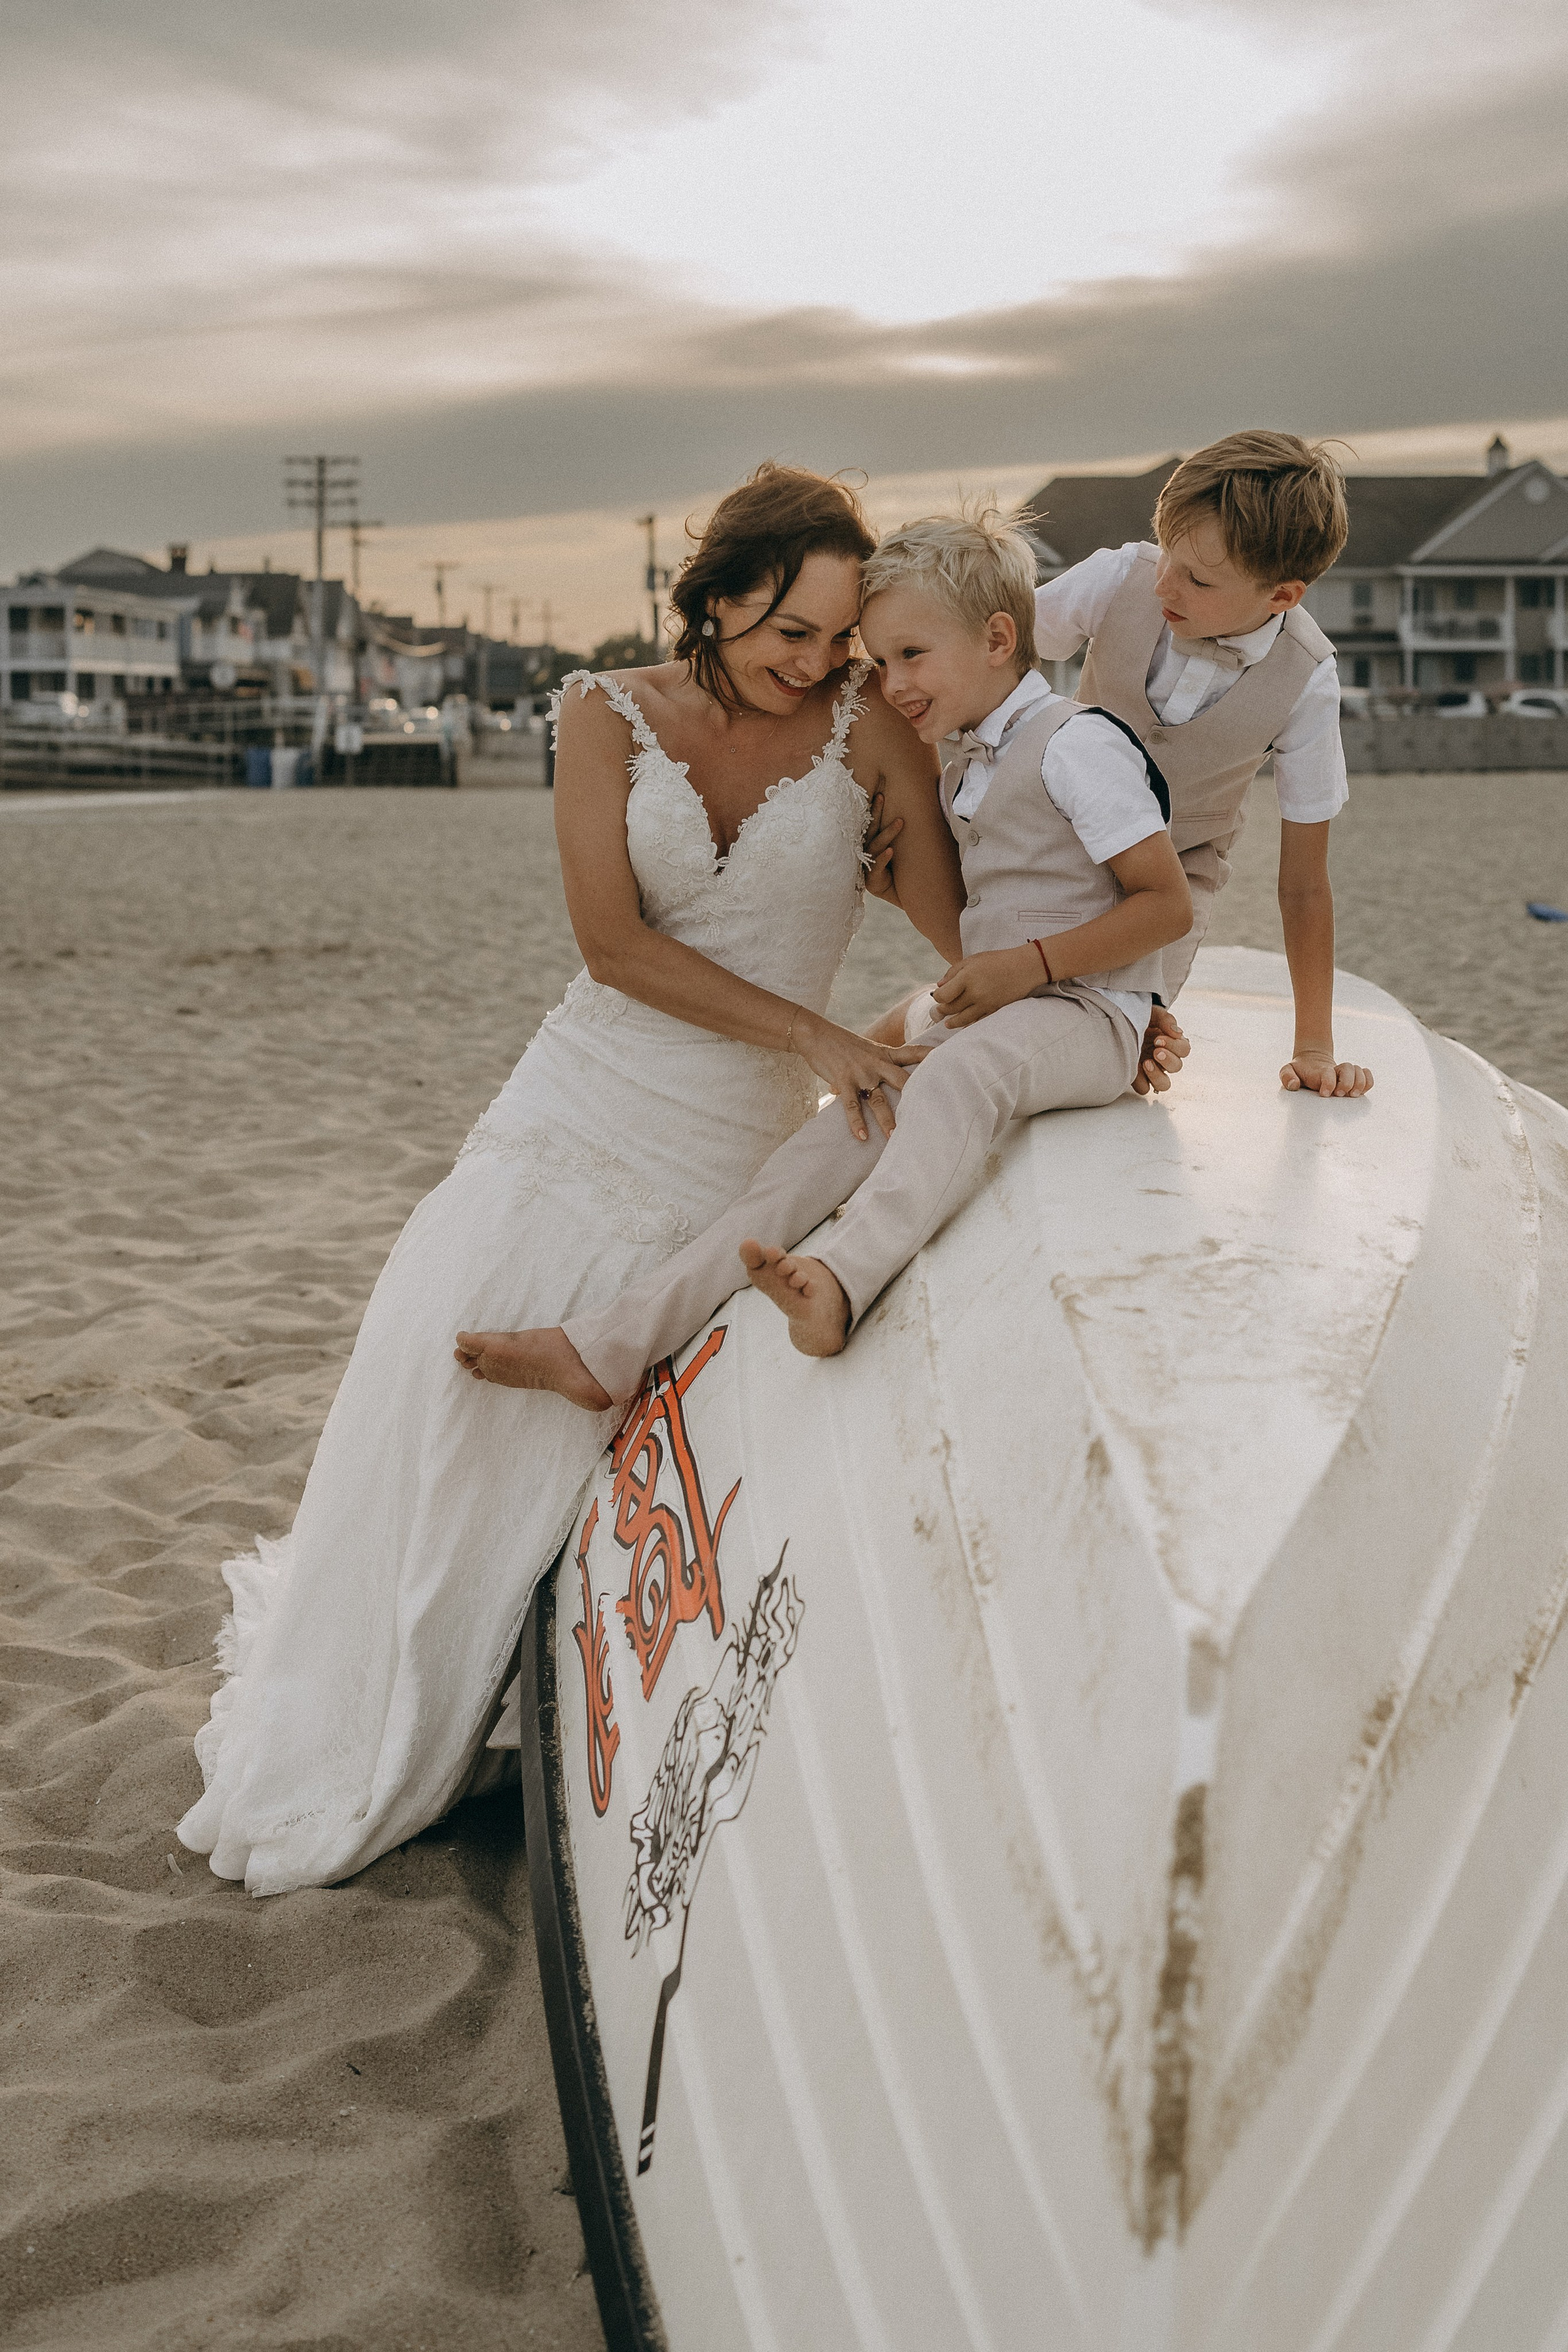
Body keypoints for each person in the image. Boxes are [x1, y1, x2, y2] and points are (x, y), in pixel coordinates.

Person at [178, 463, 963, 1895]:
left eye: (838, 638)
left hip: (724, 1141)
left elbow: (954, 922)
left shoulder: (865, 735)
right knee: (444, 1369)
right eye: (789, 629)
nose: (815, 663)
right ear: (717, 597)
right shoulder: (600, 712)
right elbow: (612, 942)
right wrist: (818, 1031)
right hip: (576, 1099)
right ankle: (402, 1698)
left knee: (605, 1444)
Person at [458, 507, 1193, 1398]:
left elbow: (1162, 903)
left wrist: (1129, 1007)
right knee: (830, 1136)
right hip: (1012, 1010)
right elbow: (988, 922)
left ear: (1000, 638)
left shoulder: (1075, 742)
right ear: (719, 603)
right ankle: (611, 1342)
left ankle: (843, 1282)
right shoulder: (965, 756)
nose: (876, 681)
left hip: (1067, 1011)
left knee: (953, 1081)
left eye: (889, 653)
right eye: (872, 659)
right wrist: (915, 932)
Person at [1034, 429, 1373, 1100]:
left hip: (1172, 887)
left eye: (1198, 579)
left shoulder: (1307, 679)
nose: (1166, 582)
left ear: (1282, 596)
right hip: (1048, 843)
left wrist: (1313, 1047)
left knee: (1117, 1054)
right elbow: (991, 647)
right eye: (1167, 554)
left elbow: (1304, 885)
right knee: (1000, 1009)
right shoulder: (1119, 579)